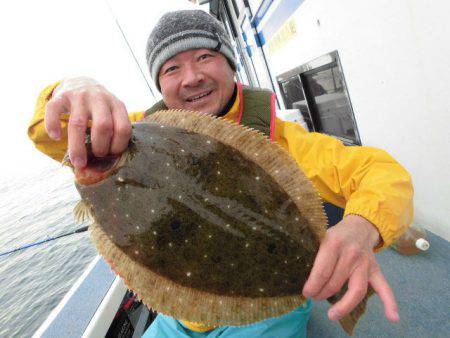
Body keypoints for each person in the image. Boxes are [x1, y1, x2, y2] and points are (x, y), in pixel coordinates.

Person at [28, 9, 413, 338]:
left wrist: (361, 226)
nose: (191, 76)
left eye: (205, 57)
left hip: (265, 308)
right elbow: (50, 133)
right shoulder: (124, 133)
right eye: (172, 67)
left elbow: (382, 172)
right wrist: (73, 87)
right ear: (160, 84)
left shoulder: (283, 140)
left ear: (231, 63)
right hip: (180, 316)